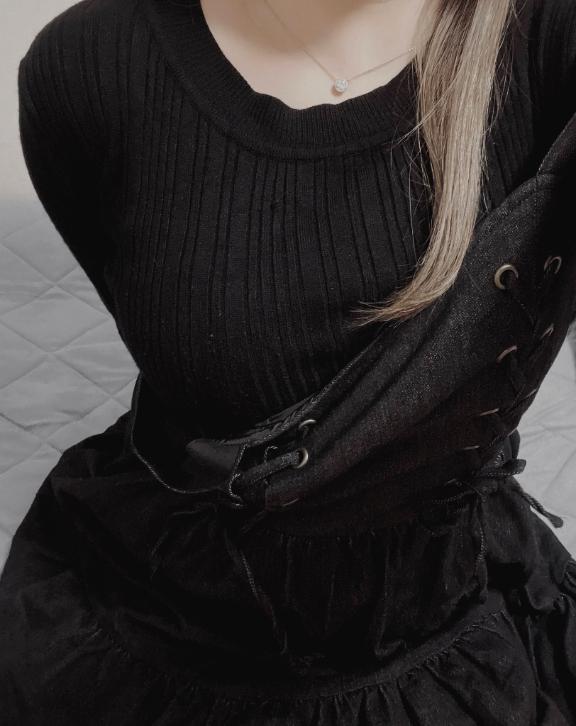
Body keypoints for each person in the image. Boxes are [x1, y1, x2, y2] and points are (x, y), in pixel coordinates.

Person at [2, 0, 576, 722]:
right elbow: (157, 323)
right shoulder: (86, 63)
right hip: (160, 610)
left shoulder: (546, 35)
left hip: (445, 610)